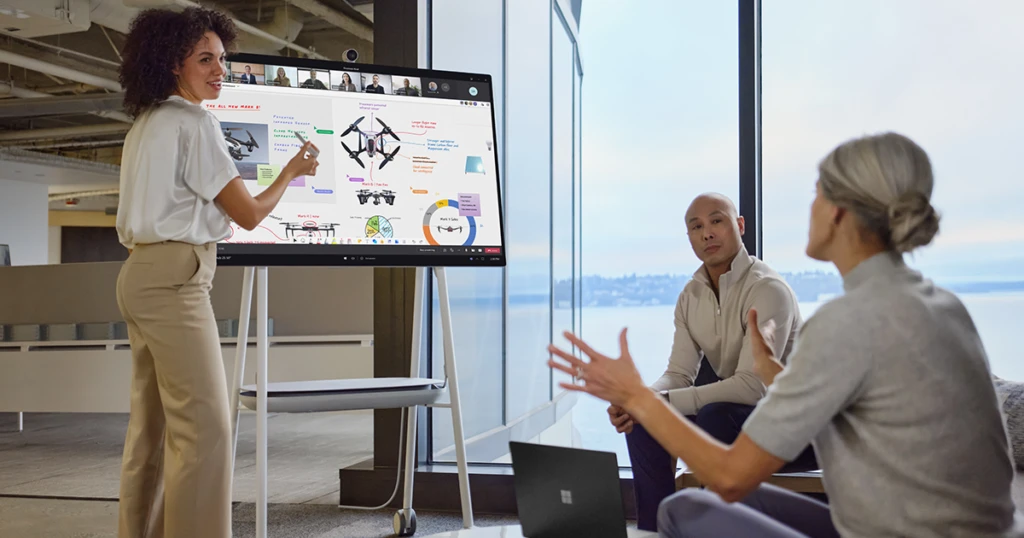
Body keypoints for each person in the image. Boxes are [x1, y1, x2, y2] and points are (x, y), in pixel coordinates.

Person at [549, 132, 1024, 538]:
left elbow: (731, 478)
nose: (810, 206)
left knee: (683, 508)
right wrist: (775, 371)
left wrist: (638, 396)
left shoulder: (847, 319)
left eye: (817, 192)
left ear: (840, 211)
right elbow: (852, 400)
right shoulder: (940, 304)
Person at [116, 7, 319, 538]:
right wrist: (293, 172)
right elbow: (248, 214)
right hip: (176, 280)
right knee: (207, 431)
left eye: (222, 59)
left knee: (152, 434)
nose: (219, 70)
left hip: (139, 275)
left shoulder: (146, 124)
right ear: (172, 64)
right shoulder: (194, 122)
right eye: (205, 59)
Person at [614, 192, 815, 532]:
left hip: (796, 431)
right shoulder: (690, 296)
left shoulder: (768, 290)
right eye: (696, 227)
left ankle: (714, 528)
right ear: (690, 238)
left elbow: (752, 387)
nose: (707, 233)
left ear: (739, 226)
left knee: (715, 414)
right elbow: (678, 374)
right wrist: (641, 400)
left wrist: (658, 402)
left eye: (716, 221)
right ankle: (658, 528)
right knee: (645, 419)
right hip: (735, 424)